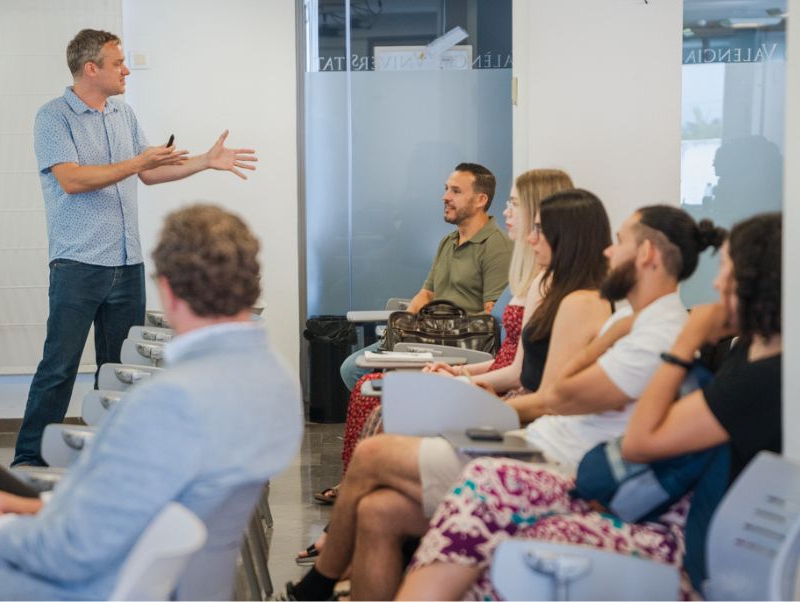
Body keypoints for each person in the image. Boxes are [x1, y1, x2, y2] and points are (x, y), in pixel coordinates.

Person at [395, 212, 779, 600]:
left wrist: (684, 344)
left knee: (496, 504)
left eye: (727, 270)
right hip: (668, 511)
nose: (716, 283)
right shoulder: (749, 353)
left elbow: (637, 442)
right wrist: (616, 333)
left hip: (689, 544)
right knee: (485, 494)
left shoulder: (761, 377)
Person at [0, 205, 303, 600]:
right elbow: (134, 502)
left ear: (167, 289)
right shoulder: (277, 379)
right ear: (250, 282)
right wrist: (26, 507)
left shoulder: (166, 403)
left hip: (105, 580)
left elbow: (77, 549)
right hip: (162, 560)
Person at [285, 188, 622, 600]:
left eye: (540, 230)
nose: (532, 239)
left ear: (568, 238)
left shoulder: (580, 302)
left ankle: (318, 581)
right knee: (377, 511)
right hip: (525, 423)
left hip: (543, 449)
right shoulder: (552, 289)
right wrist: (464, 380)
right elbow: (522, 372)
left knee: (376, 451)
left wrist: (473, 393)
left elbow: (548, 396)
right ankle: (334, 567)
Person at [12, 29, 258, 467]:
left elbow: (150, 172)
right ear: (91, 69)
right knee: (59, 368)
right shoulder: (53, 118)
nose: (126, 70)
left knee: (119, 372)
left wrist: (204, 161)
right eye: (117, 63)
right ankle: (28, 460)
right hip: (77, 264)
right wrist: (139, 161)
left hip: (125, 263)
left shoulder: (122, 114)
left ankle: (114, 459)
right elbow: (72, 180)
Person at [339, 163, 513, 391]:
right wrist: (405, 327)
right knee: (352, 367)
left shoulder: (496, 246)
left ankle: (404, 420)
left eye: (455, 191)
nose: (445, 197)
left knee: (354, 369)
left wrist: (434, 331)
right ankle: (399, 419)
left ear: (481, 200)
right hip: (429, 337)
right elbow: (427, 293)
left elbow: (490, 317)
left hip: (458, 344)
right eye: (446, 189)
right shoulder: (448, 242)